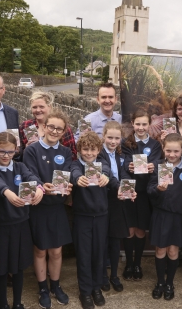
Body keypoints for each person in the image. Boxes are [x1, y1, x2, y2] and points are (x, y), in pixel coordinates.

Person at [0, 132, 45, 309]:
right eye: (2, 151)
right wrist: (7, 192)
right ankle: (2, 303)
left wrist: (39, 188)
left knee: (19, 268)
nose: (6, 156)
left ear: (16, 151)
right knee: (2, 268)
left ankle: (17, 302)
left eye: (10, 152)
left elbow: (33, 178)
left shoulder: (20, 167)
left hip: (21, 225)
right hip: (0, 227)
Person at [22, 111, 73, 309]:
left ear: (63, 132)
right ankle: (43, 288)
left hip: (57, 207)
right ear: (43, 127)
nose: (54, 131)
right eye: (51, 126)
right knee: (40, 250)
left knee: (57, 251)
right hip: (38, 207)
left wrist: (67, 187)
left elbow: (66, 174)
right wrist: (42, 186)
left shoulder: (66, 152)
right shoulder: (31, 150)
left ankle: (56, 285)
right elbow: (29, 173)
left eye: (59, 129)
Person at [70, 131, 118, 309]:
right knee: (84, 255)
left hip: (101, 217)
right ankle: (85, 291)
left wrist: (119, 187)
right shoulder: (75, 166)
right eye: (85, 149)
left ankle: (96, 287)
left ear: (98, 149)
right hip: (82, 218)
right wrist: (77, 178)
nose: (89, 153)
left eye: (92, 149)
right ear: (79, 150)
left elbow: (109, 175)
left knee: (99, 254)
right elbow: (73, 172)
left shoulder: (102, 165)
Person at [148, 133, 182, 301]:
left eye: (176, 151)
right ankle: (159, 282)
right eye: (168, 151)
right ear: (163, 149)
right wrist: (158, 189)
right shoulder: (159, 166)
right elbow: (149, 190)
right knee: (160, 249)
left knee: (173, 250)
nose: (172, 155)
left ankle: (169, 283)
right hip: (160, 214)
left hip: (178, 217)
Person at [121, 109, 162, 281]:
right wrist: (129, 167)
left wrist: (153, 167)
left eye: (144, 124)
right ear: (132, 124)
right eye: (137, 124)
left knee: (140, 230)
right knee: (129, 229)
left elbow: (156, 162)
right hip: (130, 191)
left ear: (149, 125)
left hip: (146, 194)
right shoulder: (125, 143)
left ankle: (137, 263)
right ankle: (129, 263)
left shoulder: (155, 145)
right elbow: (123, 163)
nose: (140, 127)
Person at [98, 121, 136, 293]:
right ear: (103, 136)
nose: (113, 141)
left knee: (114, 242)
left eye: (116, 138)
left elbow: (124, 174)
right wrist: (119, 187)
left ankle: (114, 275)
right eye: (110, 137)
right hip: (102, 202)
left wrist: (130, 190)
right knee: (103, 242)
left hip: (118, 202)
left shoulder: (121, 155)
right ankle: (102, 276)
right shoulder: (98, 155)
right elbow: (105, 174)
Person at [19, 91, 77, 160]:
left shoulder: (62, 127)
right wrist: (26, 150)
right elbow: (18, 154)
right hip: (32, 168)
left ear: (49, 106)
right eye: (34, 107)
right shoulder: (26, 125)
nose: (38, 110)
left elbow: (72, 155)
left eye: (41, 107)